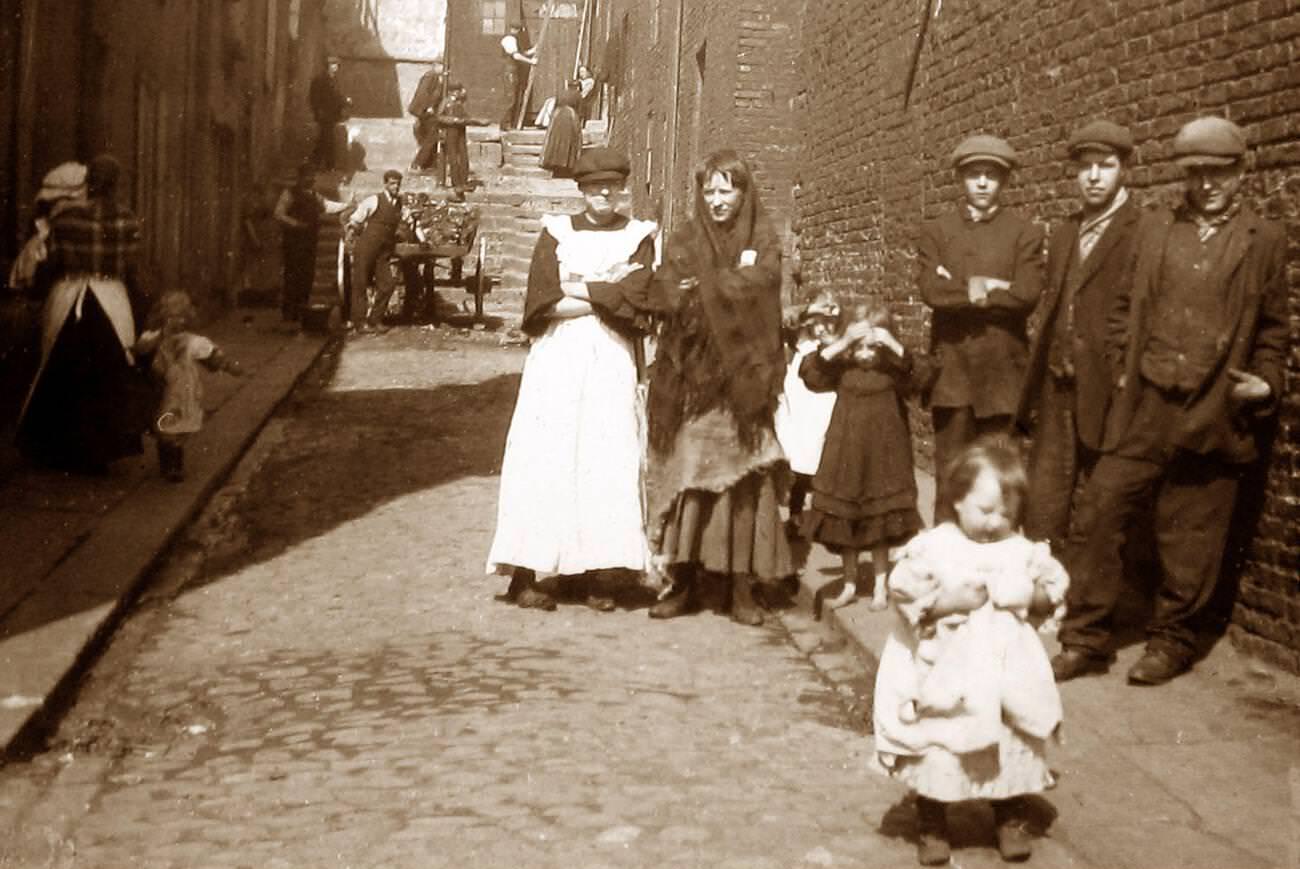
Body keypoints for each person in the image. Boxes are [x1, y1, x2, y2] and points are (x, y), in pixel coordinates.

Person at [1052, 117, 1289, 686]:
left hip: (1213, 405)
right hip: (1147, 401)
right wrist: (1117, 373)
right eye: (1196, 174)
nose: (1207, 184)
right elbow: (1123, 308)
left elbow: (1275, 330)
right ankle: (1085, 637)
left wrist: (1265, 381)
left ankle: (1171, 640)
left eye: (1219, 173)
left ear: (1242, 171)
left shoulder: (1264, 241)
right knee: (1101, 506)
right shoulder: (1156, 229)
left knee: (1191, 532)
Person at [872, 437, 1068, 866]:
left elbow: (1052, 594)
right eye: (985, 510)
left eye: (1007, 513)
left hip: (1005, 673)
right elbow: (902, 591)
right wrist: (947, 602)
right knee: (940, 744)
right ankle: (933, 821)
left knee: (1009, 738)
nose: (996, 522)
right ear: (957, 500)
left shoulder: (1021, 551)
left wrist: (1029, 593)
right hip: (945, 672)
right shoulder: (935, 547)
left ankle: (1009, 815)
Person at [486, 147, 656, 611]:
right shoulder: (555, 232)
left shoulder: (640, 236)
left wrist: (575, 284)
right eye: (594, 185)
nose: (604, 193)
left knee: (605, 458)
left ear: (622, 188)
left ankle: (599, 573)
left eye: (612, 185)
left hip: (612, 356)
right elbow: (542, 301)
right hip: (558, 355)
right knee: (545, 456)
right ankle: (526, 572)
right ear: (581, 189)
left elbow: (638, 299)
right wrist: (605, 289)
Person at [643, 150, 791, 626]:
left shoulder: (763, 237)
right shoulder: (686, 237)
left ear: (743, 193)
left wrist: (704, 287)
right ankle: (683, 582)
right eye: (709, 190)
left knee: (743, 480)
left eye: (726, 189)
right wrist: (721, 286)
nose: (717, 200)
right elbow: (667, 288)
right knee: (690, 476)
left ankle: (741, 587)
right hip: (694, 380)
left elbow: (764, 284)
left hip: (745, 382)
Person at [1016, 120, 1142, 554]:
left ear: (1124, 169)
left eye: (1104, 166)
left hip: (1109, 390)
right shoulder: (1067, 230)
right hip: (1058, 384)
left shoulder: (1142, 230)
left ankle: (1095, 608)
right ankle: (1044, 597)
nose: (1092, 176)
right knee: (1044, 501)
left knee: (1104, 505)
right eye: (1085, 167)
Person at [918, 135, 1044, 520]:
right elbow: (931, 292)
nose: (984, 183)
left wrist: (962, 286)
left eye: (992, 175)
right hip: (953, 378)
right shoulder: (937, 231)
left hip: (1002, 376)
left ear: (1004, 182)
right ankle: (946, 567)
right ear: (961, 179)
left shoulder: (1024, 232)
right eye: (975, 175)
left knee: (1001, 477)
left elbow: (1027, 294)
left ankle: (999, 565)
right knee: (952, 476)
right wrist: (990, 287)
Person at [16, 154, 150, 474]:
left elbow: (53, 265)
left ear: (88, 182)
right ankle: (100, 453)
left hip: (70, 295)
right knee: (107, 374)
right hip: (112, 297)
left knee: (64, 369)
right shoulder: (129, 221)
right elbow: (132, 270)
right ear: (116, 184)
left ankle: (61, 450)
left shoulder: (66, 219)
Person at [800, 301, 923, 612]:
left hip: (884, 456)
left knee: (880, 525)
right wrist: (843, 342)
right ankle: (850, 583)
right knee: (846, 525)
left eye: (873, 348)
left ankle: (881, 585)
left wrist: (893, 345)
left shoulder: (892, 371)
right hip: (846, 455)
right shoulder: (842, 370)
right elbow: (811, 374)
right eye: (859, 348)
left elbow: (922, 375)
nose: (866, 355)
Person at [134, 292, 244, 482]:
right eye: (170, 317)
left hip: (183, 391)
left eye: (180, 317)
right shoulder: (154, 336)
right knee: (165, 426)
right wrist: (158, 337)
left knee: (176, 428)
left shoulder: (192, 341)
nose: (175, 322)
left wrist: (228, 365)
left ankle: (173, 464)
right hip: (160, 389)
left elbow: (211, 356)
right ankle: (169, 464)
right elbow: (140, 350)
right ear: (161, 317)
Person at [773, 296, 839, 533]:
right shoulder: (800, 340)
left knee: (822, 453)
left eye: (828, 322)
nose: (822, 328)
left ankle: (825, 514)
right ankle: (796, 512)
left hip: (825, 403)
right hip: (802, 401)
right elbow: (786, 319)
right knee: (801, 457)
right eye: (817, 322)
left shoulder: (836, 343)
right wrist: (807, 311)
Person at [273, 164, 350, 328]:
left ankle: (302, 311)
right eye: (309, 176)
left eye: (312, 176)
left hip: (309, 240)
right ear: (301, 178)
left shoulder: (314, 195)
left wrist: (347, 205)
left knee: (307, 276)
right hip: (294, 241)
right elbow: (279, 213)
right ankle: (290, 314)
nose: (312, 179)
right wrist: (295, 224)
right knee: (293, 276)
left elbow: (327, 206)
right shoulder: (289, 193)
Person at [346, 170, 403, 333]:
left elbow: (404, 220)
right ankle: (360, 322)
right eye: (392, 183)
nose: (396, 186)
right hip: (367, 247)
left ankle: (374, 320)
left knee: (387, 284)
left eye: (398, 183)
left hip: (384, 251)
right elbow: (356, 219)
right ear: (385, 184)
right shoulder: (373, 200)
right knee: (361, 283)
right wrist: (351, 234)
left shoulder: (399, 203)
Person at [436, 84, 489, 193]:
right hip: (450, 131)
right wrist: (453, 120)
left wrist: (477, 122)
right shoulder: (446, 102)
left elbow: (466, 117)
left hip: (460, 131)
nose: (459, 93)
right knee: (453, 158)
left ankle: (464, 182)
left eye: (459, 91)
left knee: (464, 156)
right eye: (457, 91)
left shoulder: (459, 104)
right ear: (452, 92)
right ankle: (456, 184)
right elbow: (439, 117)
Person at [309, 55, 351, 170]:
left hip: (331, 115)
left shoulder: (334, 80)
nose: (336, 67)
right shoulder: (321, 79)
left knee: (325, 138)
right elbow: (315, 97)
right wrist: (318, 111)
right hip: (324, 114)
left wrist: (344, 101)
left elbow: (336, 97)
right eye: (333, 64)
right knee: (327, 138)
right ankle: (327, 164)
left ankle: (318, 163)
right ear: (327, 66)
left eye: (337, 65)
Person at [408, 60, 446, 173]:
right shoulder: (430, 77)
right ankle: (417, 164)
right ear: (436, 65)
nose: (444, 69)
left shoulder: (436, 78)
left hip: (428, 112)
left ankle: (429, 165)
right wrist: (427, 107)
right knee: (432, 137)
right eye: (442, 66)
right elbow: (423, 93)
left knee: (430, 137)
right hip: (426, 112)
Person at [500, 23, 538, 130]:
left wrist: (533, 50)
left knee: (515, 97)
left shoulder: (514, 40)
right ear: (514, 29)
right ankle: (505, 123)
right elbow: (516, 56)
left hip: (514, 71)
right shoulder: (509, 39)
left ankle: (512, 123)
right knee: (511, 98)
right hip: (510, 71)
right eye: (517, 30)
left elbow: (521, 53)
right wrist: (531, 62)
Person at [540, 85, 583, 178]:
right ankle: (567, 168)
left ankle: (555, 166)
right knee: (570, 141)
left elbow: (555, 105)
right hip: (570, 117)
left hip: (557, 116)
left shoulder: (560, 93)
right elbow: (580, 110)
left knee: (555, 141)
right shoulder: (577, 94)